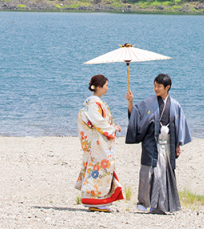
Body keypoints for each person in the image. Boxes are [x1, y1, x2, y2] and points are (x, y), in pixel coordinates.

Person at [125, 73, 192, 214]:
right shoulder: (148, 102)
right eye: (155, 86)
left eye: (159, 86)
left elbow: (180, 125)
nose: (156, 89)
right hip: (151, 141)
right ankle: (143, 202)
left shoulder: (175, 105)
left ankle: (160, 204)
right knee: (147, 172)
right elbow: (136, 114)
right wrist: (130, 102)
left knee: (163, 173)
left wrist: (178, 144)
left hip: (167, 143)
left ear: (167, 87)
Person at [75, 74, 125, 212]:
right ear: (98, 87)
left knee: (99, 169)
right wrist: (112, 128)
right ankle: (95, 200)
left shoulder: (95, 102)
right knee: (100, 168)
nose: (107, 88)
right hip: (97, 143)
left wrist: (112, 127)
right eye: (106, 85)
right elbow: (99, 122)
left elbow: (99, 122)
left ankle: (97, 200)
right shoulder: (94, 102)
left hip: (97, 141)